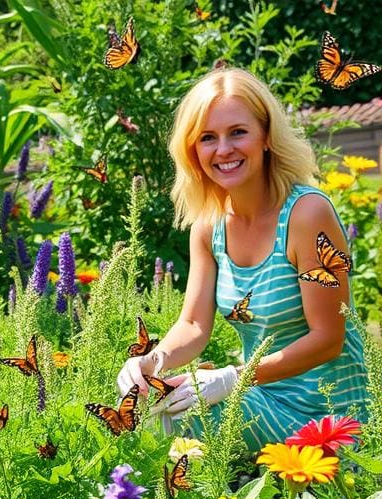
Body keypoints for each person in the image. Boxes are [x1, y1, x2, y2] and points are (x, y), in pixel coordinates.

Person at [117, 67, 369, 452]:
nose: (223, 150)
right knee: (144, 401)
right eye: (207, 138)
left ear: (266, 136)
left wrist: (233, 378)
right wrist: (155, 362)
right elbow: (193, 324)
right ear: (192, 150)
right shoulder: (209, 226)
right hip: (259, 395)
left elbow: (328, 339)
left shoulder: (307, 214)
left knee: (176, 416)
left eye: (237, 132)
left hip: (330, 413)